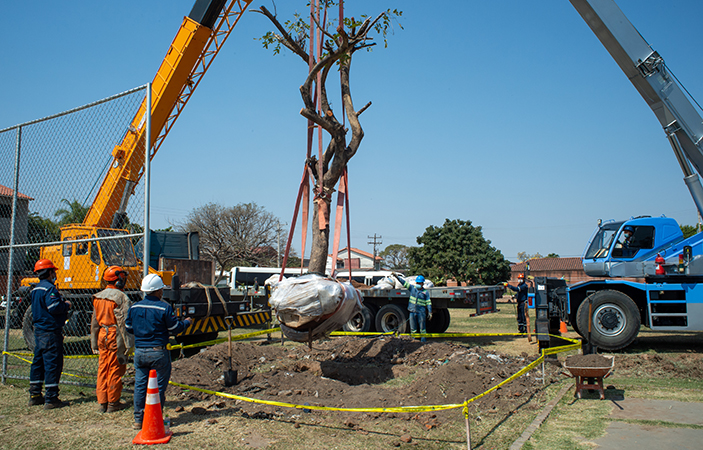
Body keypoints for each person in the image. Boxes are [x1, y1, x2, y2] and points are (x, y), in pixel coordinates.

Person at [126, 274, 192, 430]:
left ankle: (138, 419)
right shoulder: (164, 308)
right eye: (161, 288)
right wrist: (187, 323)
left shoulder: (134, 307)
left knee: (140, 385)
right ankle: (154, 417)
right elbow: (175, 329)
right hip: (158, 352)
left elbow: (129, 328)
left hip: (140, 351)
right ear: (157, 291)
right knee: (158, 387)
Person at [28, 259, 72, 409]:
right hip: (51, 332)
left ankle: (35, 394)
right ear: (49, 272)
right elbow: (54, 307)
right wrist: (65, 305)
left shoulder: (35, 289)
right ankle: (51, 398)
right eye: (53, 271)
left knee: (38, 362)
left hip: (39, 331)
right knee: (53, 363)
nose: (55, 274)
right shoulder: (50, 289)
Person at [91, 266, 133, 413]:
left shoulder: (98, 296)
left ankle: (102, 401)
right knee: (115, 367)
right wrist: (128, 344)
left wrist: (94, 342)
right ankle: (113, 402)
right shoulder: (121, 297)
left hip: (103, 333)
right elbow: (125, 322)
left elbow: (95, 323)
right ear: (119, 280)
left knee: (103, 367)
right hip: (115, 334)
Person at [393, 273, 432, 343]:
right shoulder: (412, 289)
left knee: (422, 328)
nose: (418, 284)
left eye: (419, 283)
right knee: (413, 328)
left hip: (421, 312)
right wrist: (397, 277)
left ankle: (423, 341)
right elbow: (404, 283)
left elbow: (428, 303)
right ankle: (413, 341)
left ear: (422, 284)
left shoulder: (425, 292)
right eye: (417, 283)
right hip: (412, 311)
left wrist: (430, 311)